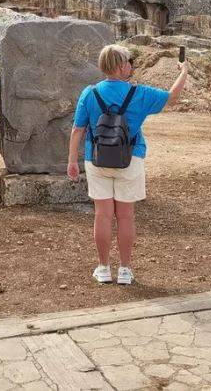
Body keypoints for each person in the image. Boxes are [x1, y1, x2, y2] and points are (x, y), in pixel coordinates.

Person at [67, 44, 188, 285]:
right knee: (125, 217)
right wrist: (183, 71)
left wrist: (72, 160)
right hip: (130, 158)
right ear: (122, 66)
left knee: (102, 216)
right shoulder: (139, 93)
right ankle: (124, 270)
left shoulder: (90, 93)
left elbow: (78, 129)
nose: (132, 65)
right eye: (129, 61)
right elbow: (172, 98)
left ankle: (103, 268)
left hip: (97, 158)